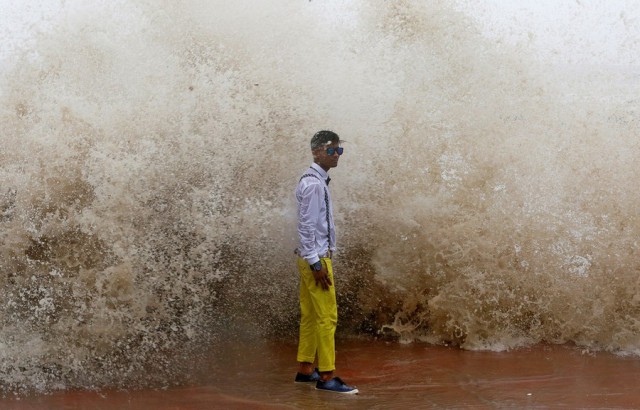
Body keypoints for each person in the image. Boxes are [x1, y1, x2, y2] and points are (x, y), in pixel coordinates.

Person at [293, 130, 358, 394]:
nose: (336, 155)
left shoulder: (316, 181)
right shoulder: (313, 184)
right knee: (328, 318)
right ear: (316, 152)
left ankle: (306, 370)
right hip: (315, 260)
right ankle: (327, 376)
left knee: (310, 316)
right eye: (331, 150)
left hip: (309, 258)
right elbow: (306, 227)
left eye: (339, 150)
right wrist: (316, 264)